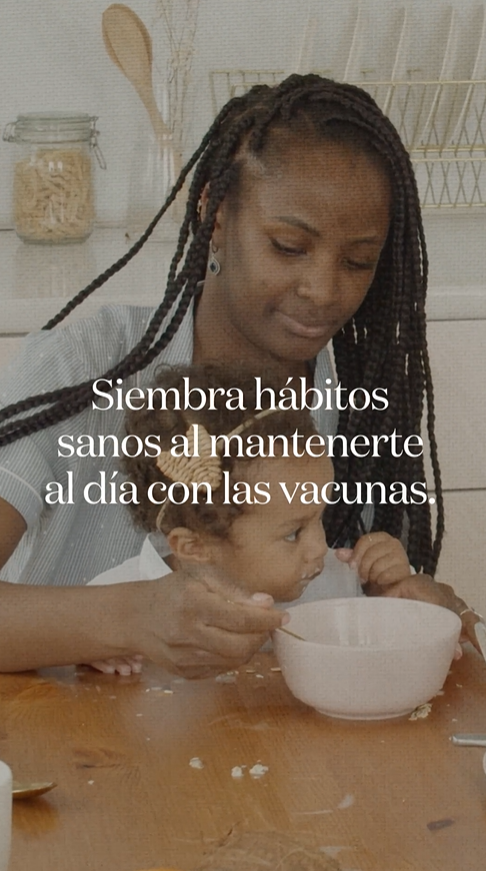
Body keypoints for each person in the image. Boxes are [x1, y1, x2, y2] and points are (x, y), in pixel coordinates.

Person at [0, 74, 480, 675]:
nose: (324, 292)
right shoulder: (79, 369)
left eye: (359, 262)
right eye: (288, 247)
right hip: (62, 748)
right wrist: (129, 617)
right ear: (216, 215)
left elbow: (367, 593)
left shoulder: (364, 407)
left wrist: (417, 606)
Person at [84, 364, 413, 675]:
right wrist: (95, 652)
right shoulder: (116, 601)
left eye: (319, 518)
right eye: (293, 534)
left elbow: (408, 632)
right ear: (194, 546)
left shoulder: (342, 584)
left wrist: (393, 589)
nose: (320, 548)